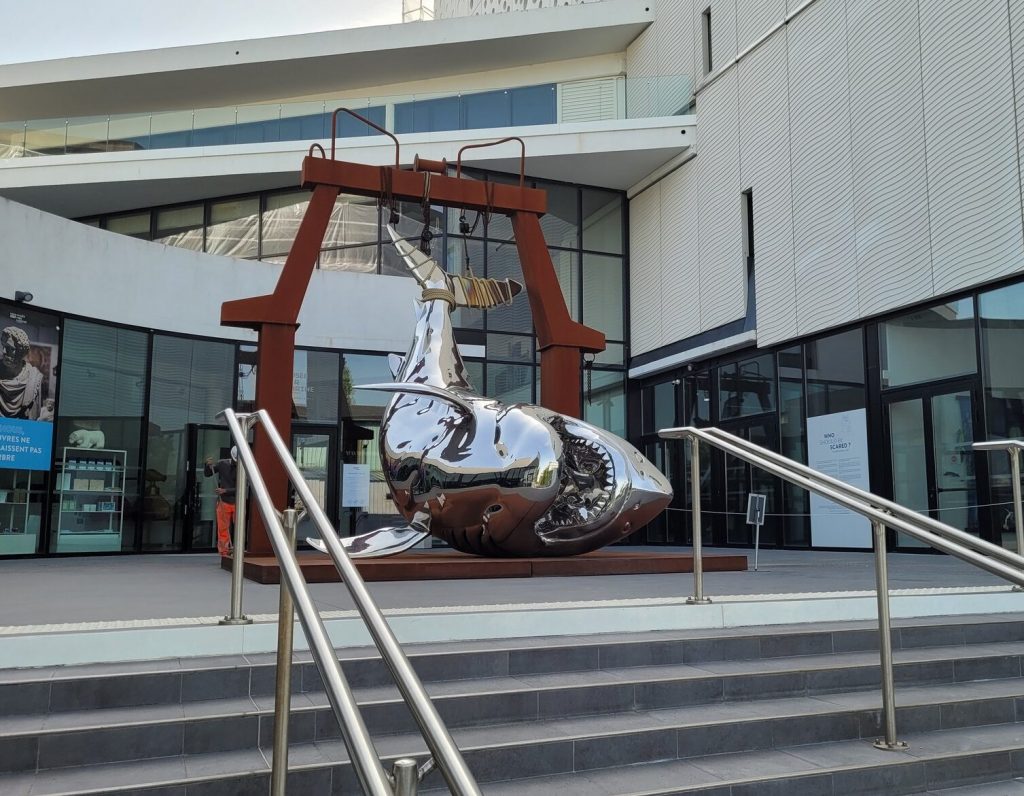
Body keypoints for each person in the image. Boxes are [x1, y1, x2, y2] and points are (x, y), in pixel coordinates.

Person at [0, 326, 44, 420]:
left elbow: (34, 419)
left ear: (21, 352)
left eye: (10, 348)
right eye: (3, 346)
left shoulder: (34, 379)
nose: (3, 352)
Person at [205, 447, 238, 557]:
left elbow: (243, 487)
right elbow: (208, 473)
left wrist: (225, 490)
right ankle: (224, 552)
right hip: (224, 502)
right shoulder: (223, 464)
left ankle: (238, 549)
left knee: (239, 528)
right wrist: (208, 465)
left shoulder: (244, 468)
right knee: (223, 528)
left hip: (238, 502)